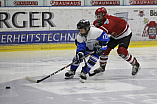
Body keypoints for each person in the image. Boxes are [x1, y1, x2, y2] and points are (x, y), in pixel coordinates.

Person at [93, 7, 140, 76]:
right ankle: (102, 67)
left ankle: (136, 64)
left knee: (122, 51)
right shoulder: (101, 21)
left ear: (104, 15)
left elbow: (99, 34)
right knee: (105, 50)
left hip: (125, 35)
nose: (98, 18)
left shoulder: (108, 23)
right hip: (115, 35)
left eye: (99, 16)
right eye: (97, 16)